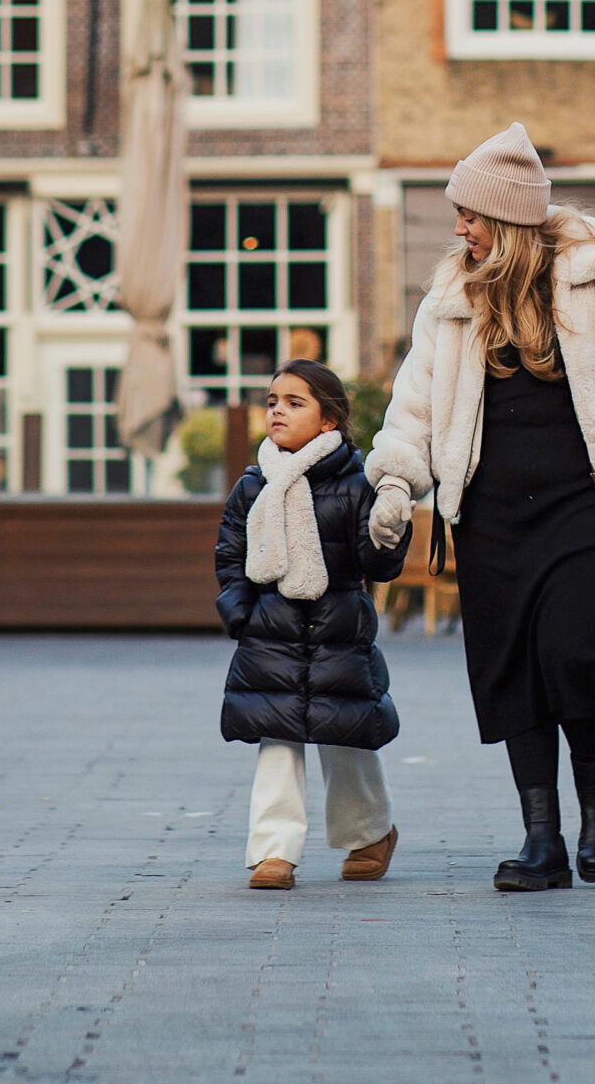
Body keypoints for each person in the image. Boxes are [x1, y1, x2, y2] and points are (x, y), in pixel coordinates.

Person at [367, 121, 595, 892]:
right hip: (489, 513)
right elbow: (415, 400)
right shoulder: (453, 294)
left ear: (509, 217)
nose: (460, 229)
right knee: (510, 664)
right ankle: (541, 838)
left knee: (570, 651)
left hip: (590, 498)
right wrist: (394, 482)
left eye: (471, 215)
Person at [214, 359, 409, 890]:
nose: (278, 410)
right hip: (271, 633)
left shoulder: (357, 483)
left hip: (337, 632)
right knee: (276, 740)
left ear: (329, 420)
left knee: (347, 741)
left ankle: (370, 833)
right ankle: (273, 851)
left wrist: (389, 532)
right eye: (273, 401)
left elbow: (377, 563)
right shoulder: (254, 484)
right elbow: (230, 554)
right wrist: (239, 611)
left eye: (294, 402)